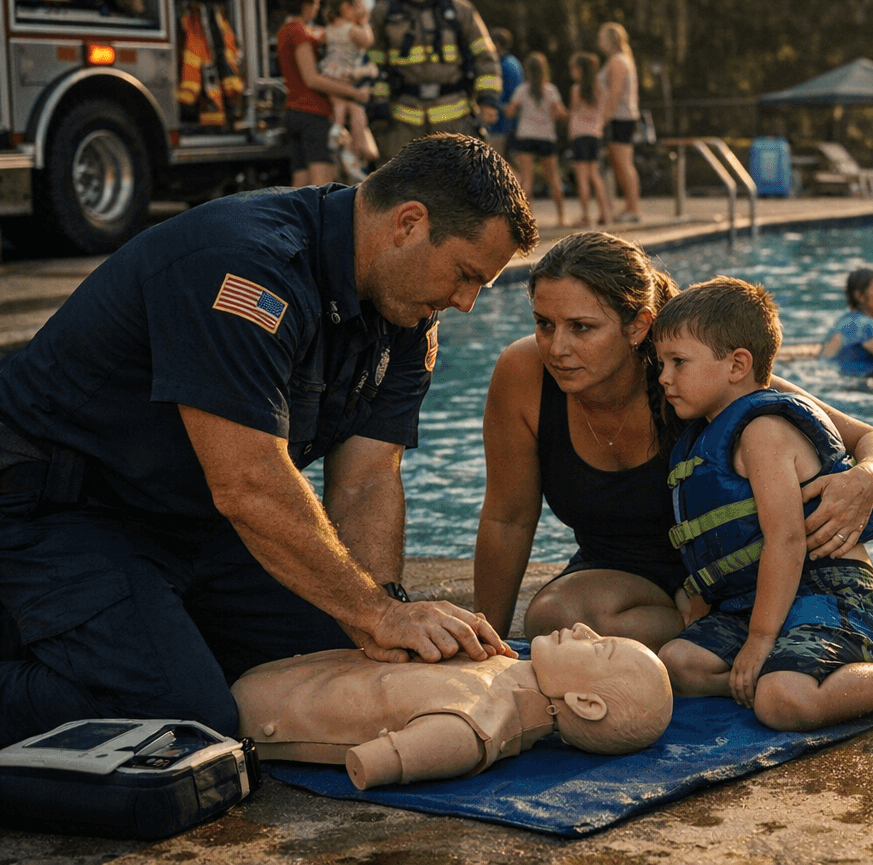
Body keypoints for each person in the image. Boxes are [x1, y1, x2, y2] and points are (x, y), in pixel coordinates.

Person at [0, 134, 539, 748]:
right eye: (466, 275)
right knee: (185, 720)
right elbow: (249, 481)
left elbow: (366, 478)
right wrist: (379, 615)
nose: (466, 303)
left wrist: (382, 612)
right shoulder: (246, 263)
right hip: (61, 511)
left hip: (191, 521)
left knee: (344, 659)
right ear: (408, 224)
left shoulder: (408, 319)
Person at [473, 232, 873, 653]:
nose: (557, 347)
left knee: (587, 645)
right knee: (553, 618)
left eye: (582, 327)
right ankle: (702, 636)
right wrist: (485, 645)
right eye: (544, 324)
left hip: (739, 574)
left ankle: (730, 637)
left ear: (638, 326)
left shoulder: (691, 375)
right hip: (622, 577)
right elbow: (507, 519)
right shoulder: (524, 373)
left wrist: (868, 478)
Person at [652, 277, 873, 730]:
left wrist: (759, 641)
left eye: (677, 362)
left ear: (738, 364)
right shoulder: (706, 431)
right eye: (661, 362)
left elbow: (786, 539)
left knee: (782, 701)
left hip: (831, 595)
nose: (663, 377)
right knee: (678, 662)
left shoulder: (763, 431)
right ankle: (842, 671)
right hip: (754, 600)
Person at [233, 623, 672, 788]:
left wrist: (385, 760)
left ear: (585, 703)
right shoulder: (503, 658)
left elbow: (372, 762)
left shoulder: (480, 724)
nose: (583, 628)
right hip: (281, 667)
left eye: (599, 648)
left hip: (242, 713)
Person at [367, 0, 500, 164]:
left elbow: (484, 56)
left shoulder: (460, 10)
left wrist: (488, 100)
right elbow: (373, 63)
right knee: (400, 187)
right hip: (402, 119)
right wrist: (378, 105)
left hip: (455, 117)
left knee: (458, 186)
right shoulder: (383, 13)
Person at [275, 0, 372, 187]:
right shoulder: (299, 33)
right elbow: (312, 79)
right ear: (306, 4)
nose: (318, 8)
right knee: (320, 188)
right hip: (314, 115)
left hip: (293, 112)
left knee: (299, 186)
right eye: (316, 3)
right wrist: (355, 93)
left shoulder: (284, 32)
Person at [319, 0, 380, 183]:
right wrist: (364, 21)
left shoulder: (329, 28)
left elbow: (321, 41)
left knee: (339, 104)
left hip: (329, 72)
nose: (362, 6)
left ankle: (336, 129)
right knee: (356, 109)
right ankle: (360, 150)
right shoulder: (353, 29)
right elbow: (368, 41)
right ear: (346, 8)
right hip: (347, 73)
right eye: (359, 3)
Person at [504, 52, 568, 226]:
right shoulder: (551, 90)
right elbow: (562, 114)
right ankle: (561, 218)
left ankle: (527, 220)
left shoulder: (522, 90)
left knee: (526, 179)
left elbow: (510, 112)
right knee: (553, 177)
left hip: (526, 136)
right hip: (546, 137)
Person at [596, 22, 643, 224]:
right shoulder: (622, 59)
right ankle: (629, 206)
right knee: (619, 164)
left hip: (620, 118)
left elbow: (615, 93)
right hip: (622, 117)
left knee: (623, 163)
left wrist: (603, 118)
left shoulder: (617, 61)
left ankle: (633, 209)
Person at [568, 51, 610, 227]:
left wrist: (570, 134)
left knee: (582, 177)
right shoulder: (601, 90)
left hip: (579, 135)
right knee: (595, 175)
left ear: (580, 70)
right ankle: (605, 214)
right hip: (595, 135)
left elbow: (573, 112)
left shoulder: (576, 90)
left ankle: (586, 216)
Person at [486, 27, 524, 161]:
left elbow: (504, 98)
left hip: (501, 127)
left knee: (496, 164)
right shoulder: (514, 63)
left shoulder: (504, 66)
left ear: (497, 44)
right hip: (511, 126)